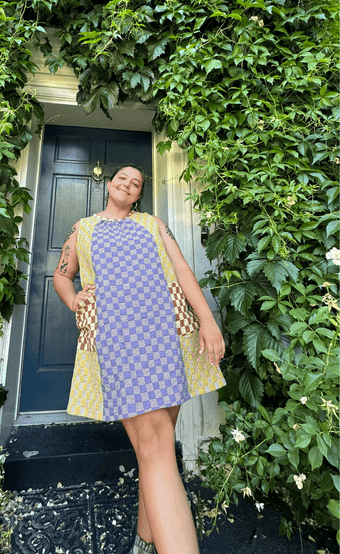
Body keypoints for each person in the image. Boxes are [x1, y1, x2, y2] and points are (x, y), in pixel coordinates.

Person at [53, 165, 226, 554]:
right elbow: (62, 276)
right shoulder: (82, 228)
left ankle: (145, 539)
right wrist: (74, 300)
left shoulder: (154, 224)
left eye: (136, 184)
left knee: (156, 451)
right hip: (118, 342)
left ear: (138, 196)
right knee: (157, 447)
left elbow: (182, 269)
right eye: (122, 179)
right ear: (109, 184)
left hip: (169, 338)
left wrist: (207, 320)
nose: (128, 184)